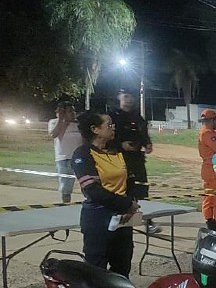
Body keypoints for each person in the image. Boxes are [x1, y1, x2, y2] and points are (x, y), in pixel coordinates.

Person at [72, 112, 139, 277]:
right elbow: (93, 191)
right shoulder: (82, 154)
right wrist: (126, 205)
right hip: (98, 219)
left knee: (122, 268)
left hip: (123, 219)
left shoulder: (118, 152)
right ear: (95, 129)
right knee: (96, 272)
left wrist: (130, 205)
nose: (113, 127)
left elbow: (130, 182)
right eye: (109, 125)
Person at [108, 89, 160, 234]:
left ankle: (147, 221)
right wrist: (121, 145)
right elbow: (106, 140)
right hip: (118, 160)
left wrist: (147, 144)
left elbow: (143, 135)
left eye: (131, 96)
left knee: (142, 190)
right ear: (119, 97)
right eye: (125, 96)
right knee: (121, 192)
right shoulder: (112, 117)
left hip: (137, 160)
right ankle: (118, 222)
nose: (129, 99)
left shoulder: (138, 118)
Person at [48, 101, 82, 204]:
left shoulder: (78, 124)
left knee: (86, 182)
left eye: (74, 111)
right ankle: (66, 203)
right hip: (64, 158)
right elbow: (53, 134)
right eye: (70, 111)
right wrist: (61, 120)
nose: (73, 113)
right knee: (66, 185)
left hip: (79, 157)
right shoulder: (54, 122)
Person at [198, 109, 216, 230]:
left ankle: (210, 220)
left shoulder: (206, 132)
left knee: (209, 197)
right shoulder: (208, 134)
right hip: (212, 170)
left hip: (208, 169)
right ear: (212, 120)